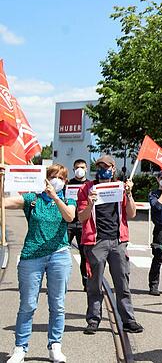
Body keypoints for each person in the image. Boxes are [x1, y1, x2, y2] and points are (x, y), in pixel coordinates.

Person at [3, 164, 75, 363]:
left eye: (60, 177)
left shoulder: (67, 199)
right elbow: (5, 202)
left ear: (65, 182)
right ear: (44, 179)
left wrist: (55, 197)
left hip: (59, 256)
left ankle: (55, 346)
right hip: (32, 256)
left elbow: (70, 216)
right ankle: (20, 348)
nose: (56, 180)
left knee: (58, 304)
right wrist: (3, 181)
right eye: (52, 176)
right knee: (27, 304)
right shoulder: (32, 199)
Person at [76, 155, 143, 335]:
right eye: (100, 166)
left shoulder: (121, 187)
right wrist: (90, 203)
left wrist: (129, 193)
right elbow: (81, 217)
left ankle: (128, 320)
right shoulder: (86, 188)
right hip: (95, 241)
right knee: (94, 284)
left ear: (113, 169)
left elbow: (131, 213)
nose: (103, 169)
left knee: (122, 282)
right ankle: (93, 319)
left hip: (117, 241)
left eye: (106, 167)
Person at [66, 158, 90, 290]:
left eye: (82, 167)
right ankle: (60, 283)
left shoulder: (90, 185)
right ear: (74, 169)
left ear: (86, 168)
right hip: (69, 223)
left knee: (85, 254)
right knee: (62, 253)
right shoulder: (68, 184)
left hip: (83, 224)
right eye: (77, 167)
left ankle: (86, 283)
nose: (80, 169)